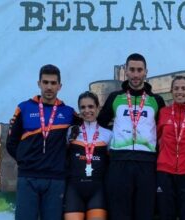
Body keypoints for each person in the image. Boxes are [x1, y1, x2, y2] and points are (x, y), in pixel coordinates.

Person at [97, 53, 165, 220]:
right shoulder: (115, 97)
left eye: (139, 70)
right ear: (126, 72)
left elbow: (164, 129)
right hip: (119, 162)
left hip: (147, 163)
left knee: (144, 214)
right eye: (132, 70)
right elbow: (100, 124)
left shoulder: (156, 100)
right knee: (119, 214)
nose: (135, 74)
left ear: (145, 72)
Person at [6, 64, 77, 220]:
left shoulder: (69, 112)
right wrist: (25, 161)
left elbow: (88, 127)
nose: (49, 87)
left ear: (60, 86)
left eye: (53, 83)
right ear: (39, 83)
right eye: (45, 82)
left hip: (56, 179)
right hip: (28, 177)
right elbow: (11, 143)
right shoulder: (23, 108)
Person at [156, 76, 185, 220]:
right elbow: (156, 137)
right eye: (176, 88)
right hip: (165, 171)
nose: (180, 92)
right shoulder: (163, 112)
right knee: (166, 215)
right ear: (171, 91)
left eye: (183, 88)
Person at [64, 91, 112, 220]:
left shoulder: (108, 134)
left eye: (91, 106)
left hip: (98, 190)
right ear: (79, 110)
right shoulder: (71, 132)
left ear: (98, 108)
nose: (87, 110)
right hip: (74, 189)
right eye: (83, 107)